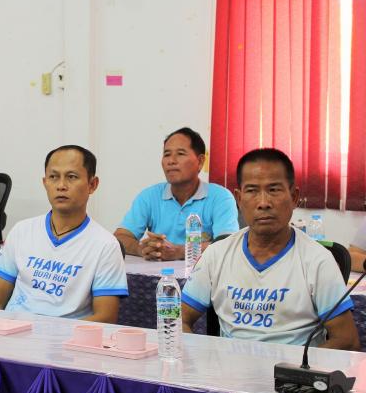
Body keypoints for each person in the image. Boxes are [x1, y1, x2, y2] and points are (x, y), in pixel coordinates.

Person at [181, 148, 359, 349]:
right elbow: (178, 319)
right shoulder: (216, 254)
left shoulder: (318, 261)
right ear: (239, 199)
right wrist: (199, 358)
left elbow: (347, 341)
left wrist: (299, 367)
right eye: (252, 191)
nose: (263, 203)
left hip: (292, 367)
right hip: (228, 367)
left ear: (294, 197)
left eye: (274, 190)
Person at [0, 145, 128, 321]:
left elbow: (105, 317)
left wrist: (49, 335)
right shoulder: (21, 231)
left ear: (92, 185)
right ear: (45, 183)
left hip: (68, 336)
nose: (61, 186)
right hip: (12, 331)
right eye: (53, 177)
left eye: (72, 177)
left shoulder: (106, 245)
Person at [115, 127, 239, 261]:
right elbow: (120, 237)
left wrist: (180, 252)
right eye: (167, 154)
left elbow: (228, 244)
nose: (171, 161)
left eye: (180, 154)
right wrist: (142, 249)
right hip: (159, 273)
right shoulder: (149, 196)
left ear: (200, 161)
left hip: (204, 272)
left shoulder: (220, 197)